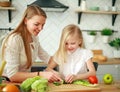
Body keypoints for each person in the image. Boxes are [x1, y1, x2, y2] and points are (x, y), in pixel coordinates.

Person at [0, 5, 61, 83]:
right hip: (7, 83)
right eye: (36, 24)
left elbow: (48, 59)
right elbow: (12, 75)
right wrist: (40, 74)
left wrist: (64, 51)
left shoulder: (34, 38)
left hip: (23, 83)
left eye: (43, 25)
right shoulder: (15, 39)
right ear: (25, 21)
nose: (40, 28)